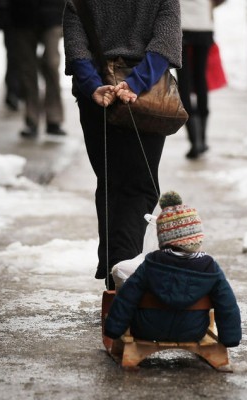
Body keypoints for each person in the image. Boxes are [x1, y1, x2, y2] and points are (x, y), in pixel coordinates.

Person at [62, 0, 182, 289]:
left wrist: (93, 85)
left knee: (111, 184)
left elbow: (76, 45)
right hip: (146, 97)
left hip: (97, 100)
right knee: (141, 188)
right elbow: (165, 42)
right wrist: (134, 83)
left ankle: (112, 270)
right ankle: (122, 276)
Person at [104, 191, 242, 347]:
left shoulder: (151, 263)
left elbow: (127, 297)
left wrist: (113, 330)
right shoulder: (209, 267)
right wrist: (230, 338)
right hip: (193, 331)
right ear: (197, 237)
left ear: (163, 238)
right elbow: (227, 305)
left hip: (147, 329)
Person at [10, 0, 66, 139]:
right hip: (22, 15)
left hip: (53, 13)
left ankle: (54, 118)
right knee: (27, 70)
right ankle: (31, 119)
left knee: (52, 63)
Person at [177, 0, 218, 160]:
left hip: (181, 26)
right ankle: (203, 138)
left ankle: (194, 141)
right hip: (204, 27)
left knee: (184, 83)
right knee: (201, 80)